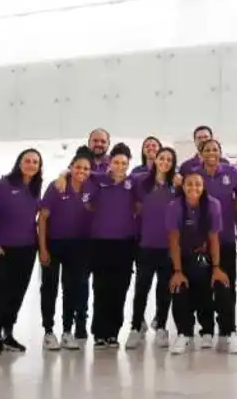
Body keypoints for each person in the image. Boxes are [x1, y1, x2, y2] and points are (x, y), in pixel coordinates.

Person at [166, 172, 237, 354]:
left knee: (223, 286)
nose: (193, 188)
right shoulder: (174, 206)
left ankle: (227, 333)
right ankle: (184, 334)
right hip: (183, 258)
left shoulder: (213, 204)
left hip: (206, 257)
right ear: (182, 187)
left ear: (203, 186)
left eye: (198, 184)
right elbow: (173, 240)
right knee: (179, 288)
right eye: (189, 184)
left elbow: (214, 238)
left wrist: (216, 268)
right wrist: (177, 270)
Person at [0, 148, 42, 356]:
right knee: (2, 292)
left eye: (35, 162)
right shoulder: (3, 185)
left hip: (27, 249)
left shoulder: (35, 188)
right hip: (3, 249)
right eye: (27, 160)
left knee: (18, 292)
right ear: (19, 163)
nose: (31, 164)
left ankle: (8, 334)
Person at [38, 147, 94, 350]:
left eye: (86, 168)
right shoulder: (57, 186)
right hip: (53, 244)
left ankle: (67, 331)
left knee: (72, 288)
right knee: (49, 287)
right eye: (78, 167)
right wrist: (43, 248)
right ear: (70, 168)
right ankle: (48, 331)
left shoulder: (91, 187)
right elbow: (42, 218)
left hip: (78, 246)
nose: (82, 171)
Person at [88, 143, 137, 348]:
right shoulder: (98, 180)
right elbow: (76, 171)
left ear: (128, 165)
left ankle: (113, 332)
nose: (119, 166)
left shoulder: (134, 183)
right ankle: (99, 332)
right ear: (109, 163)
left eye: (123, 163)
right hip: (100, 243)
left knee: (120, 288)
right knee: (101, 287)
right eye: (116, 162)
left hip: (125, 244)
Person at [130, 147, 179, 348]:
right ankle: (135, 327)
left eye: (169, 159)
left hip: (168, 246)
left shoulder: (177, 185)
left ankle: (161, 326)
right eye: (162, 158)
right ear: (155, 160)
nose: (165, 162)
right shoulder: (140, 182)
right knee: (142, 287)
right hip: (146, 244)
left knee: (164, 289)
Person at [193, 139, 237, 339]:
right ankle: (206, 329)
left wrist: (229, 215)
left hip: (226, 238)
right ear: (201, 153)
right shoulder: (195, 175)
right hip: (201, 241)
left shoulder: (231, 173)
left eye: (215, 149)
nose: (211, 153)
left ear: (220, 152)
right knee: (203, 285)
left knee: (227, 285)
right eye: (207, 150)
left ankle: (228, 329)